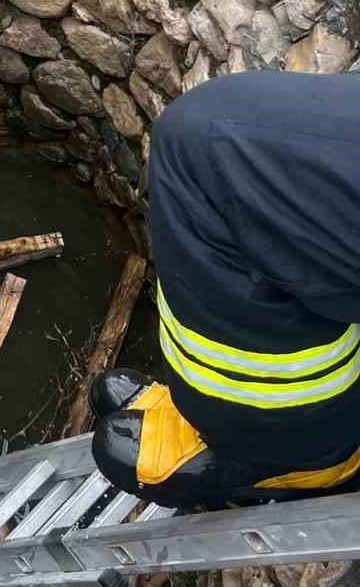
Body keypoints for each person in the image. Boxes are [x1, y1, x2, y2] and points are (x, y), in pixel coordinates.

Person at [91, 69, 360, 509]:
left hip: (312, 432)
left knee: (116, 449)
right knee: (195, 144)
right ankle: (232, 417)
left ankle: (302, 462)